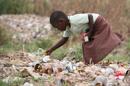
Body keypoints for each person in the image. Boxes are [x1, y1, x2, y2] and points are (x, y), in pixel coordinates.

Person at [45, 10, 122, 64]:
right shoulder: (68, 27)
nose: (58, 29)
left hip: (98, 23)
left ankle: (116, 39)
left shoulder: (74, 19)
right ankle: (90, 63)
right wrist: (51, 49)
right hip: (91, 28)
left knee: (97, 42)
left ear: (61, 21)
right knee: (87, 45)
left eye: (57, 27)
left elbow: (90, 17)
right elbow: (64, 39)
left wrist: (90, 32)